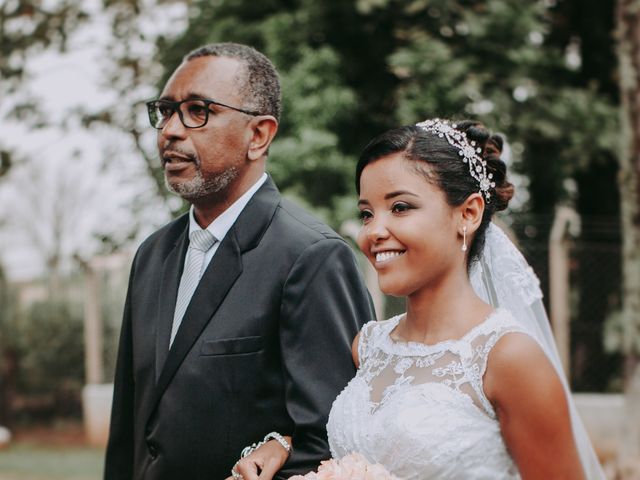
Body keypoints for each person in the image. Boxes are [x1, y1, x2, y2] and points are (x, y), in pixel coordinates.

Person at [103, 42, 374, 480]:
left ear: (259, 135)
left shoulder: (312, 257)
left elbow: (335, 443)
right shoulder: (152, 254)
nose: (170, 130)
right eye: (166, 111)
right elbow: (129, 426)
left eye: (197, 111)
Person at [325, 119, 606, 479]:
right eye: (367, 213)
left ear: (468, 214)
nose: (373, 232)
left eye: (400, 208)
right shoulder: (367, 347)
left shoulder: (508, 358)